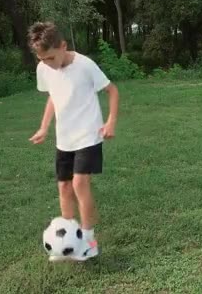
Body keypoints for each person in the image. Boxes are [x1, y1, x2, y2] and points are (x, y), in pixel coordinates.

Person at [27, 21, 119, 261]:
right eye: (42, 59)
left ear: (63, 46)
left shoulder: (85, 65)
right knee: (64, 188)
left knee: (79, 184)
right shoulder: (44, 68)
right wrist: (44, 127)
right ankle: (68, 240)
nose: (46, 63)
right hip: (64, 138)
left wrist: (110, 122)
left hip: (88, 134)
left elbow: (113, 90)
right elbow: (52, 98)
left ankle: (89, 241)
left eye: (50, 58)